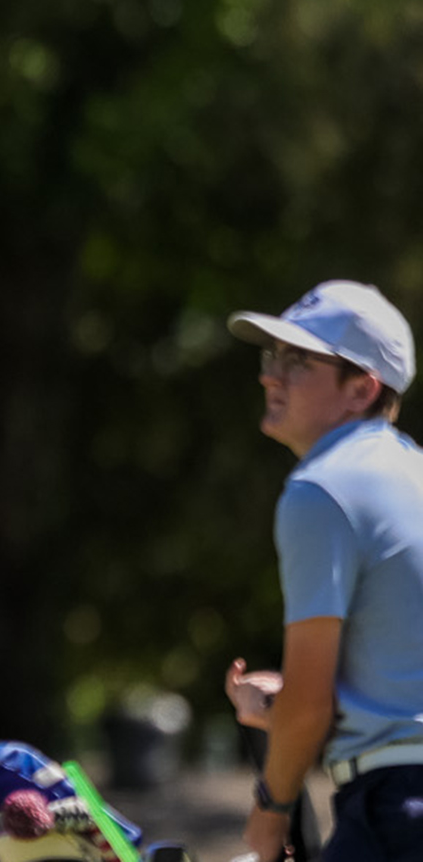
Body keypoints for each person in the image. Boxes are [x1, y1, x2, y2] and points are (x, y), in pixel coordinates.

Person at [221, 280, 423, 862]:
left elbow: (310, 707)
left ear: (362, 387)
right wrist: (289, 705)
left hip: (397, 809)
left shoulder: (320, 490)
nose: (270, 376)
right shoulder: (409, 473)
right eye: (273, 357)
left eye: (299, 361)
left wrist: (269, 814)